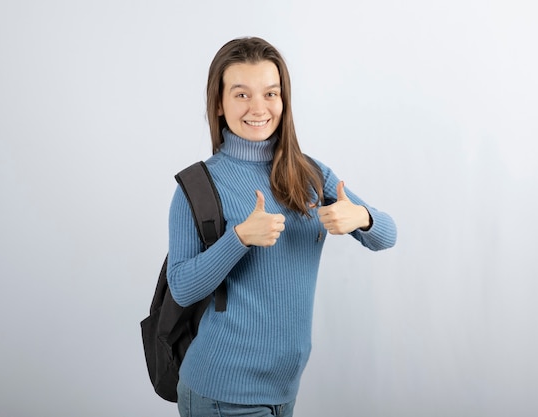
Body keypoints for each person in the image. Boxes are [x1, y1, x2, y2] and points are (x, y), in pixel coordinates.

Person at [167, 36, 397, 417]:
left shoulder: (309, 173)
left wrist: (363, 218)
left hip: (285, 389)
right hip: (224, 393)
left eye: (270, 93)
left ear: (284, 100)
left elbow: (388, 235)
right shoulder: (198, 186)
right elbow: (183, 287)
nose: (259, 108)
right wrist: (239, 238)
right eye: (242, 95)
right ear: (219, 105)